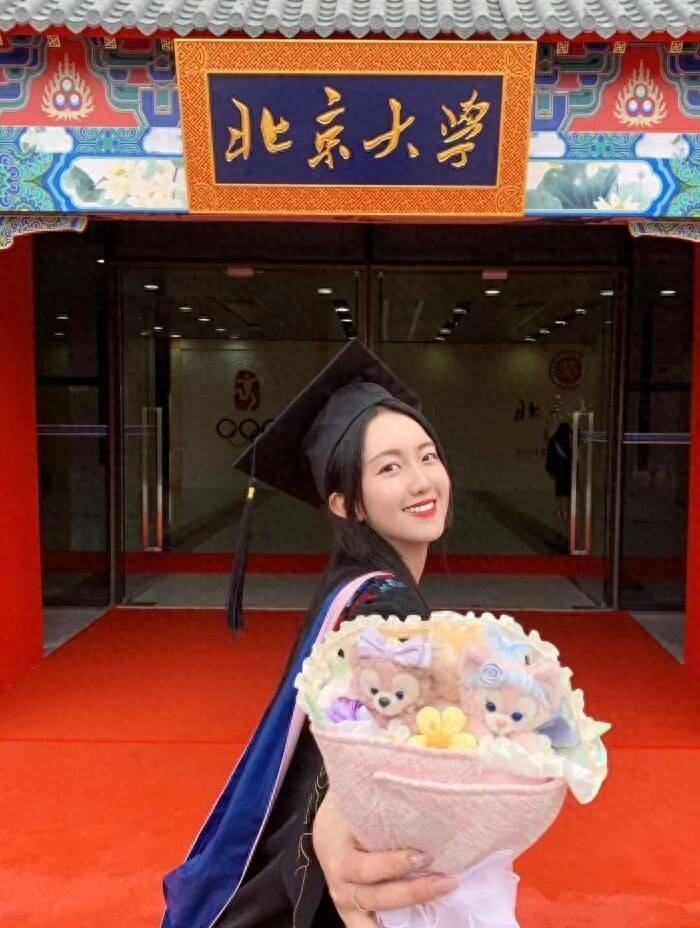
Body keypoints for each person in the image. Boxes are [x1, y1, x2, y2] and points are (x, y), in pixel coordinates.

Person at [161, 339, 456, 928]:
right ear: (347, 505)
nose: (422, 480)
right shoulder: (386, 608)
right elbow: (367, 751)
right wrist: (336, 821)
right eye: (389, 467)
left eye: (427, 456)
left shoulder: (352, 585)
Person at [545, 422, 573, 522]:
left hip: (557, 469)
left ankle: (558, 509)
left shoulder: (553, 440)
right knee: (566, 490)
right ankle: (566, 510)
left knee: (558, 489)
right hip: (566, 468)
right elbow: (571, 455)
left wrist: (550, 470)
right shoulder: (567, 440)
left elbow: (549, 456)